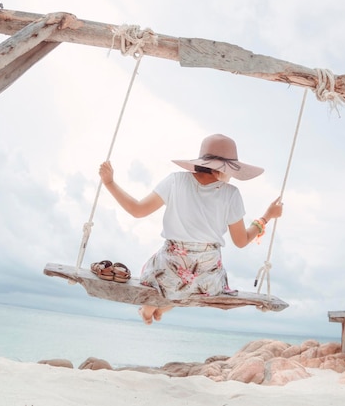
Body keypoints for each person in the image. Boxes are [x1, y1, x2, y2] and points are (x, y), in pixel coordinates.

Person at [99, 133, 283, 325]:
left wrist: (109, 183)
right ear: (224, 169)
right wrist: (267, 216)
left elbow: (137, 210)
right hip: (207, 280)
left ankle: (148, 310)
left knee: (165, 277)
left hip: (167, 271)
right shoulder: (231, 194)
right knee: (188, 285)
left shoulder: (175, 181)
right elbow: (241, 241)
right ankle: (161, 307)